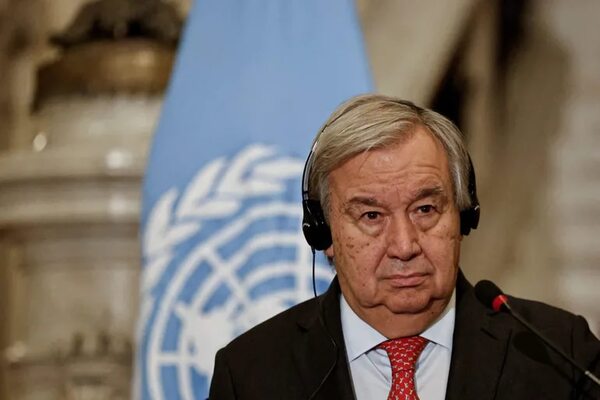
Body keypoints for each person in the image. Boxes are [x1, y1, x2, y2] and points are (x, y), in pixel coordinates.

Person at [209, 94, 600, 399]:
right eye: (371, 216)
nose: (404, 245)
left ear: (463, 216)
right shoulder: (250, 375)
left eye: (425, 209)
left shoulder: (558, 353)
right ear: (324, 233)